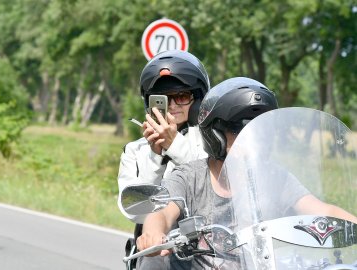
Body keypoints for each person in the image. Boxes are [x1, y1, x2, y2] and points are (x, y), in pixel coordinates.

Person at [136, 77, 357, 269]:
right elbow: (162, 212)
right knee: (151, 263)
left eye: (258, 129)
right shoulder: (190, 177)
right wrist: (153, 234)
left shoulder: (274, 178)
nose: (251, 138)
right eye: (237, 129)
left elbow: (321, 209)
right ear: (215, 135)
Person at [117, 50, 210, 223]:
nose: (173, 105)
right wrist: (155, 157)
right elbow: (136, 213)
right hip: (157, 243)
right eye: (164, 98)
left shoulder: (212, 141)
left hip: (208, 240)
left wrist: (174, 145)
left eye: (181, 96)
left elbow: (210, 186)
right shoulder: (134, 150)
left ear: (197, 99)